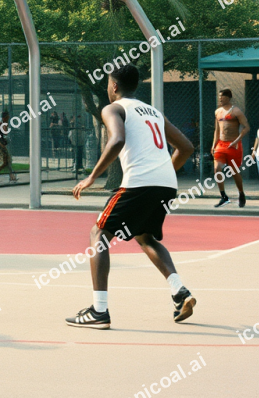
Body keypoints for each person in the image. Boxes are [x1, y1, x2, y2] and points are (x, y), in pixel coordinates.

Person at [68, 64, 195, 329]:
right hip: (166, 184)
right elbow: (186, 147)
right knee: (145, 236)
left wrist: (92, 177)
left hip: (140, 182)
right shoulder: (154, 112)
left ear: (114, 86)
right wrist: (162, 173)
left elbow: (116, 140)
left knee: (99, 234)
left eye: (107, 83)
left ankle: (99, 311)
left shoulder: (113, 108)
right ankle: (180, 291)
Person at [211, 89, 249, 208]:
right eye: (219, 96)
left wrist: (236, 141)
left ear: (228, 97)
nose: (220, 99)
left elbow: (246, 127)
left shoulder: (236, 111)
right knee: (217, 168)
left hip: (233, 145)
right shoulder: (217, 111)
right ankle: (223, 196)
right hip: (221, 145)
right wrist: (214, 145)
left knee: (234, 171)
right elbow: (217, 130)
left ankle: (241, 193)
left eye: (222, 96)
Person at [0, 111, 17, 182]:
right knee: (6, 162)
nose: (8, 118)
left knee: (7, 161)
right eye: (7, 117)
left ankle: (11, 176)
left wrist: (6, 125)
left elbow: (6, 133)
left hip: (3, 144)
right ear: (4, 118)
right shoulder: (0, 124)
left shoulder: (4, 124)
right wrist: (1, 144)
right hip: (0, 145)